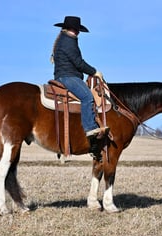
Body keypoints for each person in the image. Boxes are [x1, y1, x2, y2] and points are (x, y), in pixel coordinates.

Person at [51, 16, 109, 159]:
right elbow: (78, 63)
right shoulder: (69, 42)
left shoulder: (63, 39)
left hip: (65, 75)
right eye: (77, 30)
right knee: (87, 97)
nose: (78, 33)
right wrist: (94, 72)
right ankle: (90, 129)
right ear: (74, 30)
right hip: (68, 77)